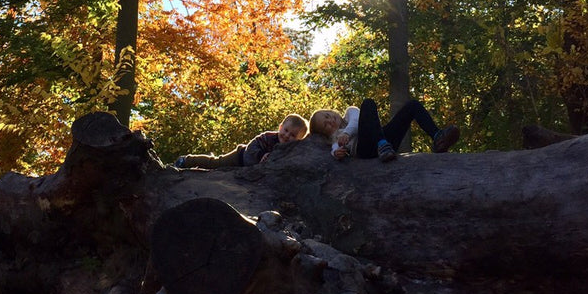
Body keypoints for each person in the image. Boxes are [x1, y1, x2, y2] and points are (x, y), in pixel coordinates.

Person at [310, 98, 459, 162]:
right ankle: (382, 145)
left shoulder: (350, 113)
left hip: (384, 141)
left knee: (411, 106)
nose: (330, 120)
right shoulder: (335, 138)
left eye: (328, 115)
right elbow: (334, 147)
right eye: (326, 124)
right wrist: (336, 153)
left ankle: (438, 137)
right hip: (365, 150)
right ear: (326, 134)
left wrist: (347, 133)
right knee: (368, 106)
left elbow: (356, 122)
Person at [175, 113, 309, 169]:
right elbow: (252, 148)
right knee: (216, 163)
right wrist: (260, 157)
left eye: (292, 135)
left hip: (250, 171)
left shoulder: (291, 151)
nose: (286, 136)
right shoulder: (268, 137)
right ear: (280, 127)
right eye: (285, 130)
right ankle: (187, 160)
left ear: (299, 140)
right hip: (241, 156)